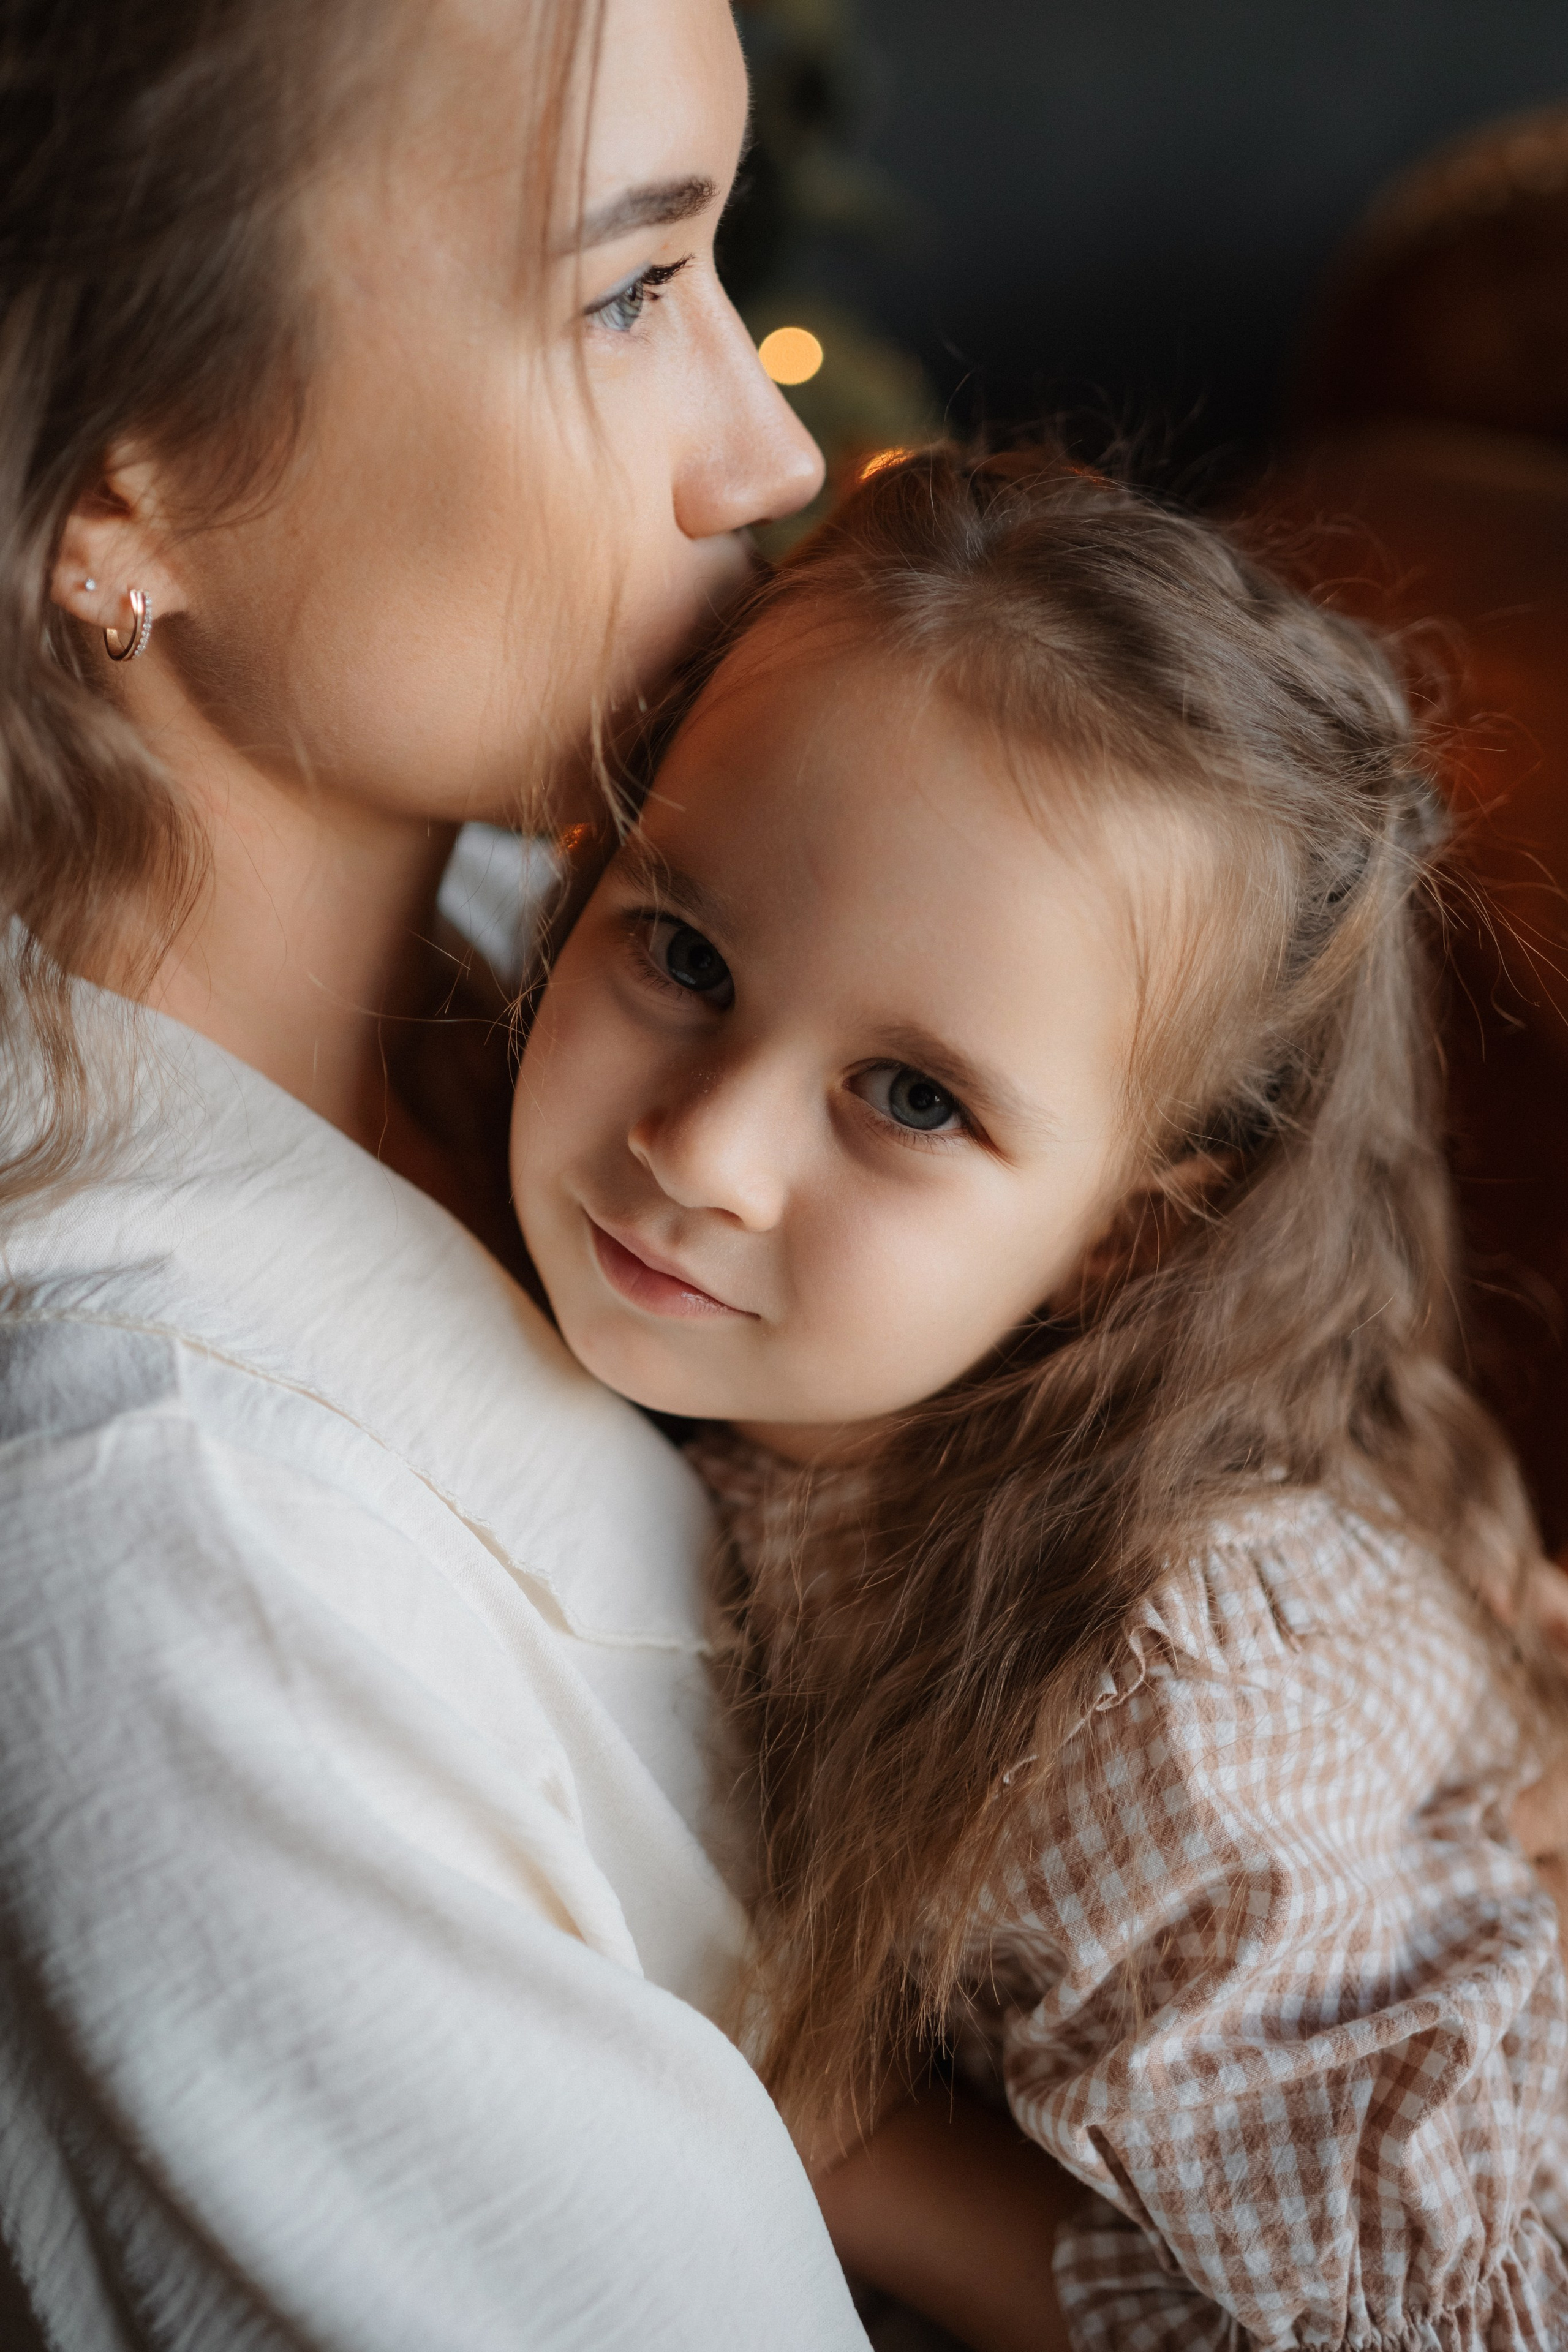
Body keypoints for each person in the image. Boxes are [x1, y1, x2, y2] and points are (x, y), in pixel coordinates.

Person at [0, 0, 873, 2345]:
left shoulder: (550, 959)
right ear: (125, 481)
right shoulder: (172, 1546)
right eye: (624, 289)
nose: (768, 451)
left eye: (722, 264)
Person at [512, 443, 1568, 2350]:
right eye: (683, 952)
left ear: (1120, 1243)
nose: (707, 1152)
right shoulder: (774, 1385)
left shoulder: (1161, 1714)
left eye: (914, 1098)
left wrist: (880, 2169)